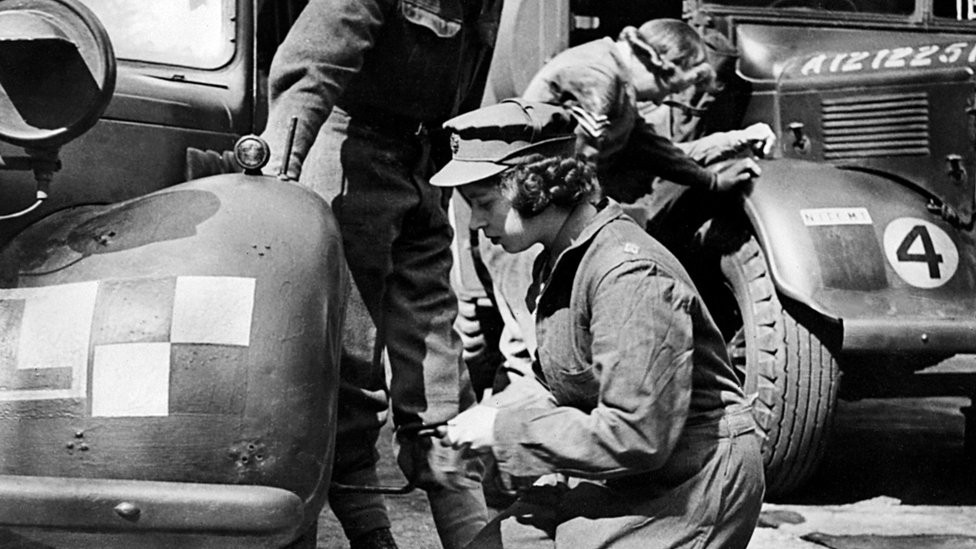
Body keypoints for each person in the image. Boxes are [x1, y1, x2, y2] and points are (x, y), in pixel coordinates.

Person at [430, 99, 765, 548]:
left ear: (533, 187)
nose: (474, 221)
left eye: (483, 203)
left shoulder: (628, 276)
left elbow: (637, 433)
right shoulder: (564, 256)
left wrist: (503, 431)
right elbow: (556, 381)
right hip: (623, 471)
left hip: (689, 482)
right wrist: (484, 418)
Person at [259, 0, 503, 547]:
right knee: (350, 369)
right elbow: (311, 65)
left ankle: (473, 534)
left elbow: (464, 93)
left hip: (422, 169)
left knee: (440, 373)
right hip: (350, 159)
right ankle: (372, 534)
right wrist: (277, 181)